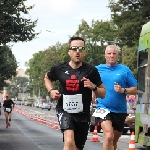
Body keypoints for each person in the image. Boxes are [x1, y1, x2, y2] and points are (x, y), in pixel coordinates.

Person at [44, 36, 106, 150]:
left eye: (81, 49)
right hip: (65, 110)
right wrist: (51, 90)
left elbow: (103, 93)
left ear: (85, 52)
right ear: (69, 52)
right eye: (74, 48)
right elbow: (47, 78)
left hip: (83, 114)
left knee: (77, 147)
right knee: (68, 141)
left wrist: (93, 87)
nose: (77, 51)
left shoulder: (91, 70)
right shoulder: (59, 68)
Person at [95, 45, 138, 150]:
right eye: (109, 53)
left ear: (117, 55)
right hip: (102, 107)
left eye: (114, 53)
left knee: (113, 142)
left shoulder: (124, 70)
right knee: (109, 136)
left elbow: (136, 89)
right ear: (105, 55)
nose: (111, 56)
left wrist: (123, 90)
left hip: (120, 110)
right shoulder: (97, 69)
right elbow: (88, 84)